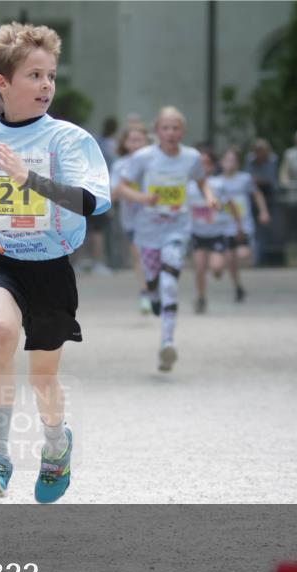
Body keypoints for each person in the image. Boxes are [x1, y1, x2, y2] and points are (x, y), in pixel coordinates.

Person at [0, 22, 111, 503]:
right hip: (0, 261)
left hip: (52, 267)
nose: (47, 85)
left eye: (51, 75)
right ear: (2, 83)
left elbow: (91, 203)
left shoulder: (68, 140)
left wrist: (29, 177)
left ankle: (56, 444)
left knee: (43, 377)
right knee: (2, 331)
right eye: (34, 75)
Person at [115, 106, 216, 372]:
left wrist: (209, 197)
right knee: (153, 285)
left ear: (183, 131)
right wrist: (143, 198)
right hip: (148, 230)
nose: (171, 133)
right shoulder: (144, 157)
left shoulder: (192, 157)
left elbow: (201, 181)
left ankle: (167, 343)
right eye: (166, 128)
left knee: (170, 283)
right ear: (157, 131)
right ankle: (152, 294)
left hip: (177, 228)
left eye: (176, 128)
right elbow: (121, 188)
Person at [217, 146, 270, 302]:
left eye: (233, 160)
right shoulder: (216, 182)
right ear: (221, 162)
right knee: (229, 260)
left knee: (242, 254)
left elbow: (257, 195)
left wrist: (263, 211)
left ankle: (236, 276)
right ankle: (237, 286)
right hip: (224, 224)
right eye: (227, 160)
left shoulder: (245, 178)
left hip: (243, 224)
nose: (230, 164)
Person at [109, 124, 151, 312]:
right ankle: (145, 291)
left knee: (154, 256)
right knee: (139, 255)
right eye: (131, 140)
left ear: (147, 141)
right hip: (132, 219)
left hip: (156, 218)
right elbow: (113, 192)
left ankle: (154, 288)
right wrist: (139, 197)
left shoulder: (155, 161)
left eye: (139, 140)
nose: (135, 144)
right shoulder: (120, 165)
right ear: (125, 143)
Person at [190, 149, 228, 314]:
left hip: (216, 233)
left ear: (212, 167)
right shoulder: (188, 185)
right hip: (197, 233)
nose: (203, 167)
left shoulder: (219, 184)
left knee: (217, 269)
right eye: (200, 164)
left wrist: (218, 205)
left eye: (207, 164)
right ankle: (201, 297)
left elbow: (229, 204)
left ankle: (219, 271)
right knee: (199, 267)